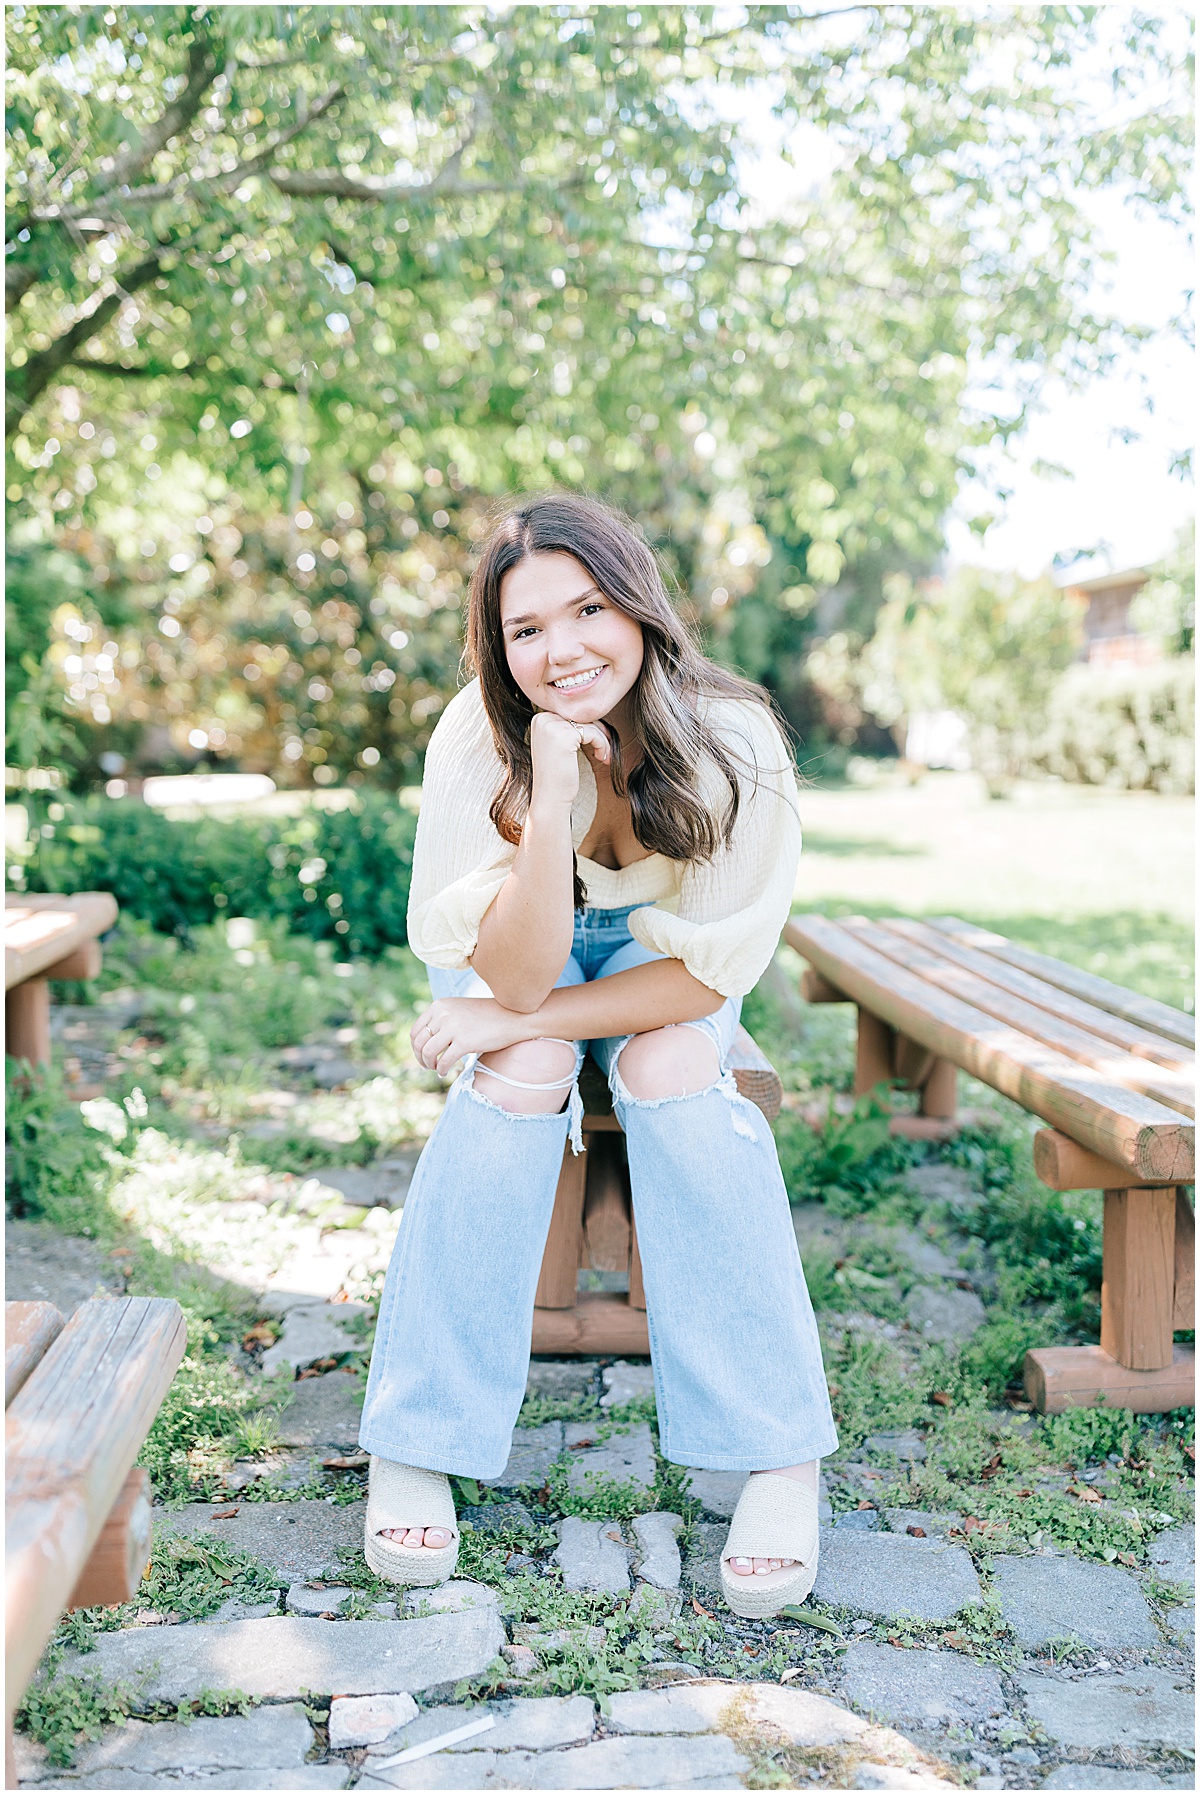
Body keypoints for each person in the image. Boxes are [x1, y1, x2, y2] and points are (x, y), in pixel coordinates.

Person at [358, 491, 837, 1619]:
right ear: (498, 648)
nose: (561, 649)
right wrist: (555, 803)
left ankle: (778, 1455)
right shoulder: (477, 740)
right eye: (527, 630)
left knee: (671, 1069)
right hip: (521, 940)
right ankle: (418, 1437)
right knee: (518, 1078)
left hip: (669, 963)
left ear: (640, 606)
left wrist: (512, 1019)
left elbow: (705, 979)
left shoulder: (736, 743)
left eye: (587, 609)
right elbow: (517, 978)